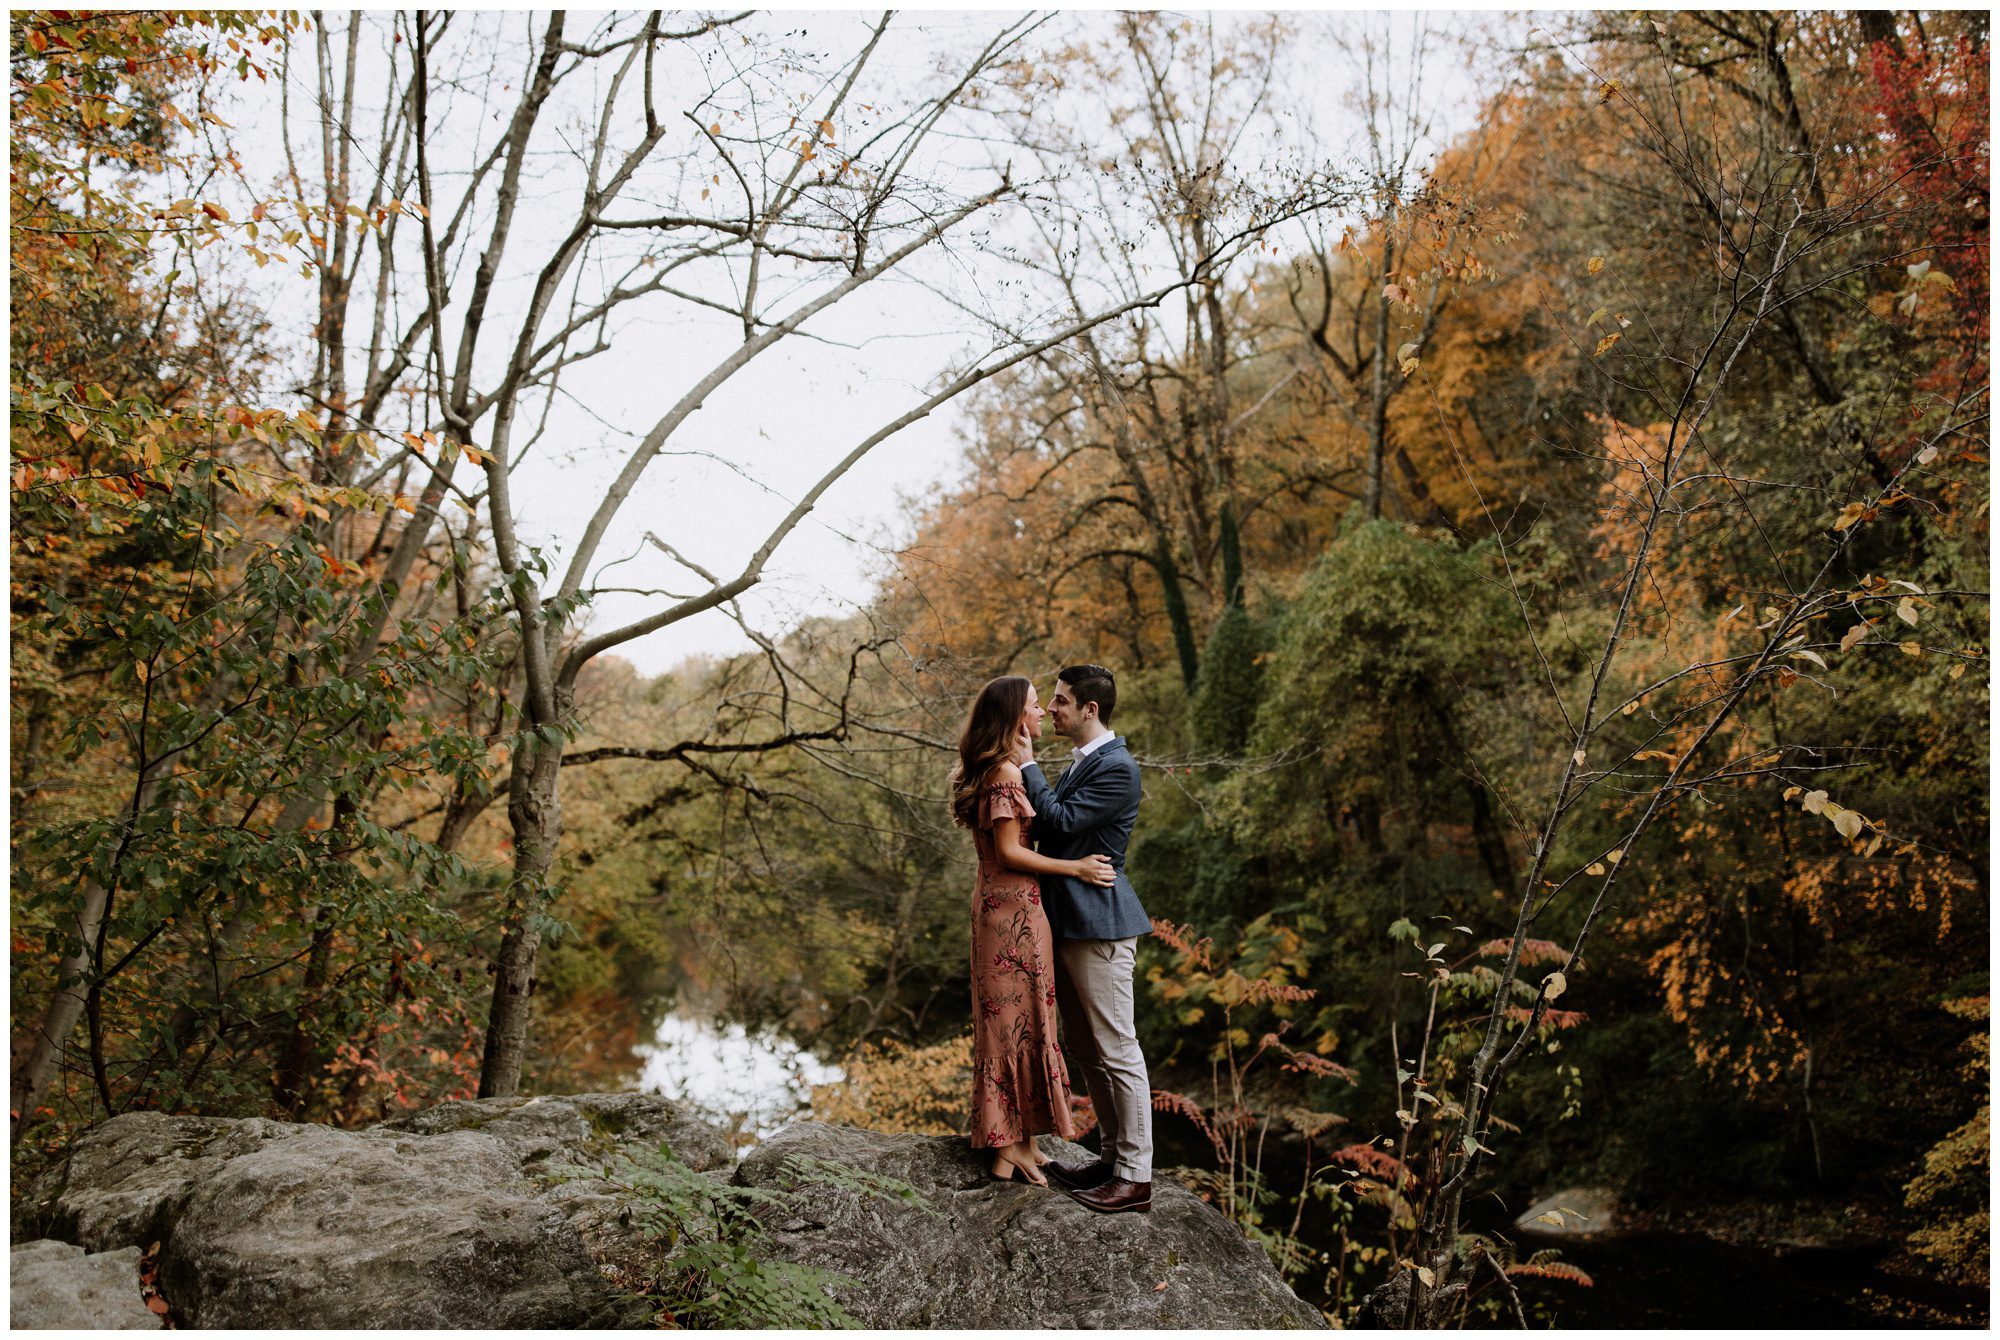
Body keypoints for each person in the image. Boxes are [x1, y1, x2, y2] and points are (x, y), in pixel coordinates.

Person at [950, 674, 1117, 1185]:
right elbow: (1010, 851)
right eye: (1034, 706)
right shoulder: (1003, 773)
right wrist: (1078, 869)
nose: (1043, 712)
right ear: (1014, 718)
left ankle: (1021, 1141)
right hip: (1010, 919)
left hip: (1014, 912)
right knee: (1013, 1028)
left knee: (1024, 1026)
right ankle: (1009, 1150)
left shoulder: (1004, 769)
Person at [1011, 663, 1155, 1214]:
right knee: (1089, 1050)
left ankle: (1135, 1179)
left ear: (1090, 709)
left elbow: (1060, 821)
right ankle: (1114, 1157)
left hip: (1103, 924)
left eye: (1061, 701)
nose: (1050, 709)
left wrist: (1027, 766)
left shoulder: (1118, 767)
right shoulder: (1087, 762)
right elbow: (1052, 826)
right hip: (1071, 920)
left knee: (1118, 1049)